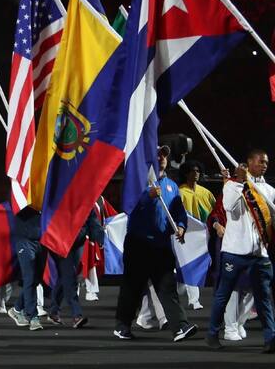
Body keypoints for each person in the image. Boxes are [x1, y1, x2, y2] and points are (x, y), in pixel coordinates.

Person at [113, 145, 197, 342]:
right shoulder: (136, 183)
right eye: (157, 154)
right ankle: (122, 326)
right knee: (133, 288)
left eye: (164, 155)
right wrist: (147, 196)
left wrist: (181, 226)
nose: (161, 158)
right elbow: (127, 207)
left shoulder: (171, 185)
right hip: (138, 244)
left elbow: (179, 212)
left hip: (161, 245)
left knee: (167, 287)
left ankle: (180, 327)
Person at [205, 150, 275, 352]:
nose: (264, 165)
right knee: (224, 295)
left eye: (266, 162)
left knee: (263, 298)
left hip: (259, 254)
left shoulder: (269, 191)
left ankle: (270, 338)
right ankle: (212, 334)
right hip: (234, 252)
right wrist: (240, 183)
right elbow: (231, 209)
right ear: (249, 163)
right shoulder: (231, 186)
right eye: (260, 162)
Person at [48, 208, 105, 328]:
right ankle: (76, 315)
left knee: (64, 276)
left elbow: (91, 217)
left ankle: (53, 311)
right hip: (60, 241)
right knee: (70, 276)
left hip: (77, 241)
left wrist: (99, 238)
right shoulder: (59, 198)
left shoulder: (83, 199)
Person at [178, 160, 215, 310]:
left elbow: (214, 211)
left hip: (204, 235)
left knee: (196, 265)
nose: (196, 173)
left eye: (198, 171)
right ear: (186, 173)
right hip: (186, 234)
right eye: (193, 171)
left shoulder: (205, 193)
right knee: (191, 265)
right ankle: (194, 300)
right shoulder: (180, 192)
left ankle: (179, 285)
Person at [8, 206, 46, 331]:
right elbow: (9, 206)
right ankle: (33, 317)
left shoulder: (46, 197)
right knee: (30, 278)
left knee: (35, 280)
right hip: (24, 240)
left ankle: (17, 309)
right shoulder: (21, 197)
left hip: (42, 240)